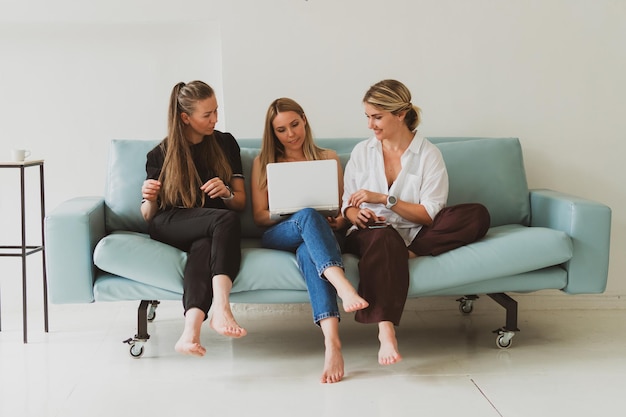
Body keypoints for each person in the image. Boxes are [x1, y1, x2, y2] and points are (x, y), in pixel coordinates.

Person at [341, 79, 490, 366]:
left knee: (476, 214)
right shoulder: (363, 152)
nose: (371, 125)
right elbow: (347, 204)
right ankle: (386, 330)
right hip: (370, 233)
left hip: (415, 234)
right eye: (368, 117)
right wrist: (355, 214)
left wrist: (386, 199)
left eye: (377, 117)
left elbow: (430, 214)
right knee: (383, 235)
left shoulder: (428, 155)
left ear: (400, 114)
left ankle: (405, 253)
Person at [250, 97, 369, 383]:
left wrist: (337, 221)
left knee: (308, 252)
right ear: (273, 133)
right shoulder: (264, 162)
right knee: (305, 215)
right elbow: (259, 216)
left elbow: (342, 212)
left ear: (304, 120)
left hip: (321, 234)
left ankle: (332, 343)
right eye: (281, 130)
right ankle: (343, 286)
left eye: (294, 124)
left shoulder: (328, 157)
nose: (291, 134)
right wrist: (291, 213)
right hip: (281, 231)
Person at [141, 80, 247, 357]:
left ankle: (190, 331)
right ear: (186, 118)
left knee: (204, 246)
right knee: (224, 221)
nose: (215, 119)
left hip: (208, 227)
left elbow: (239, 203)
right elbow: (148, 216)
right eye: (207, 114)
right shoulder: (160, 154)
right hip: (170, 221)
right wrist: (150, 197)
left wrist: (225, 193)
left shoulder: (225, 143)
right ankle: (222, 308)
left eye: (216, 111)